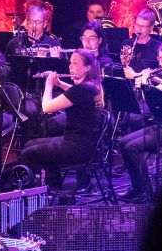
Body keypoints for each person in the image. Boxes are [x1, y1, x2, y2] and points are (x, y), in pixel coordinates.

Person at [19, 49, 103, 194]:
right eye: (70, 62)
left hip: (79, 147)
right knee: (30, 144)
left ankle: (32, 195)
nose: (70, 66)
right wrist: (59, 83)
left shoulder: (82, 89)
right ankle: (53, 186)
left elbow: (47, 108)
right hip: (82, 143)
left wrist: (49, 85)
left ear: (87, 68)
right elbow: (75, 92)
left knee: (28, 153)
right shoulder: (91, 85)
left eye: (75, 63)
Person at [118, 42, 162, 202]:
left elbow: (155, 95)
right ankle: (137, 187)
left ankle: (145, 192)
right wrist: (148, 77)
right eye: (159, 58)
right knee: (123, 142)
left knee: (133, 147)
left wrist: (143, 80)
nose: (160, 62)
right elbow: (161, 84)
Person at [121, 8, 161, 75]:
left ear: (151, 27)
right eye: (137, 25)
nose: (139, 29)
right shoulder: (126, 44)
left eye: (142, 26)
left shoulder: (158, 47)